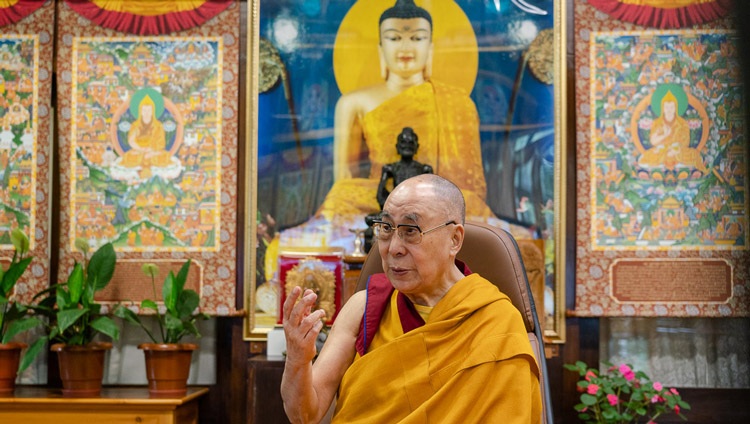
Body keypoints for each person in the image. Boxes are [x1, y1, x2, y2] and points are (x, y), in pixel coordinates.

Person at [281, 174, 542, 423]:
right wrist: (298, 359)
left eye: (410, 230)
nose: (393, 248)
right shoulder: (364, 308)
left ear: (454, 239)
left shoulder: (497, 321)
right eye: (386, 228)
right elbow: (304, 415)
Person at [638, 86, 707, 174]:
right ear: (663, 109)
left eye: (671, 107)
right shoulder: (657, 123)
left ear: (675, 108)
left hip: (678, 151)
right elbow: (653, 141)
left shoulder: (682, 123)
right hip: (661, 152)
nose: (669, 110)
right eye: (666, 107)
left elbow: (686, 141)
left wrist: (676, 149)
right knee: (646, 157)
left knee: (694, 155)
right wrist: (665, 135)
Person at [376, 127, 433, 209]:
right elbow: (380, 197)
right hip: (396, 207)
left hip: (417, 208)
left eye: (411, 143)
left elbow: (431, 197)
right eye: (403, 142)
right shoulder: (390, 168)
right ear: (397, 146)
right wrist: (389, 207)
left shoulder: (425, 169)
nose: (407, 146)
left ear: (417, 146)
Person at [120, 94, 172, 169]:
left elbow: (161, 143)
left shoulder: (158, 125)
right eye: (144, 110)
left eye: (149, 110)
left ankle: (147, 158)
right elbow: (131, 141)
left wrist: (151, 150)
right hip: (139, 150)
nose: (146, 112)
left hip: (153, 151)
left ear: (152, 111)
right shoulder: (135, 125)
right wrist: (140, 149)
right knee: (128, 156)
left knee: (163, 156)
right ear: (140, 111)